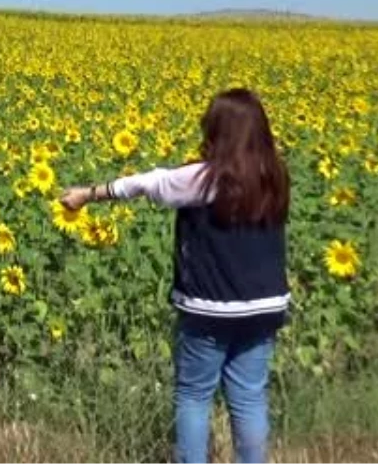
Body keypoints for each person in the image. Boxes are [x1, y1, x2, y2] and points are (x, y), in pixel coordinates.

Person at [59, 88, 291, 464]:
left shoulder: (206, 179)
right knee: (249, 397)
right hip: (266, 306)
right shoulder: (274, 176)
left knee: (194, 396)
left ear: (217, 130)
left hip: (211, 308)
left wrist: (89, 193)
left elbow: (146, 183)